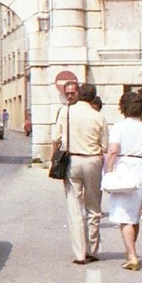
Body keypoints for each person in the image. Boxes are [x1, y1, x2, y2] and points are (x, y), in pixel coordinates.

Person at [103, 90, 142, 270]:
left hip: (125, 167)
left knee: (125, 216)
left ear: (123, 108)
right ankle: (130, 251)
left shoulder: (119, 127)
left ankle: (132, 256)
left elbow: (113, 151)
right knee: (134, 214)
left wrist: (108, 171)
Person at [53, 78, 107, 264]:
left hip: (72, 160)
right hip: (93, 161)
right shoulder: (99, 116)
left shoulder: (66, 111)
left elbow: (56, 137)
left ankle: (79, 253)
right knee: (93, 207)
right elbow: (105, 145)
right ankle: (93, 249)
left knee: (74, 206)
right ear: (94, 98)